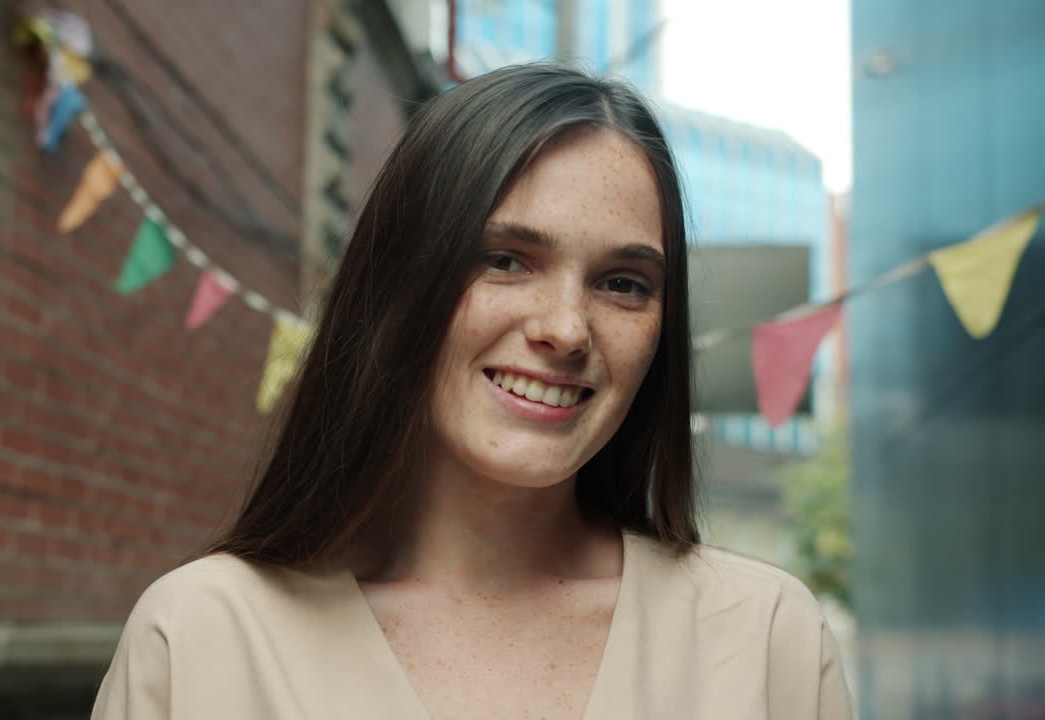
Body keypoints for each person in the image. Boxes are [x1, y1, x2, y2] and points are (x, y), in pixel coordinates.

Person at [89, 63, 854, 719]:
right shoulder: (200, 637)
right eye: (506, 260)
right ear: (397, 283)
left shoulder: (763, 639)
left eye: (623, 284)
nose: (566, 329)